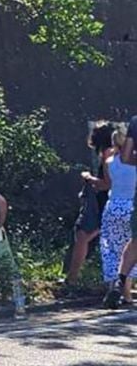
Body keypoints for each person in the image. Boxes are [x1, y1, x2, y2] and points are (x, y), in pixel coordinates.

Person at [65, 121, 115, 286]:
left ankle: (72, 279)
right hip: (106, 201)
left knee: (83, 236)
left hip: (103, 202)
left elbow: (107, 183)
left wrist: (89, 178)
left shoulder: (107, 154)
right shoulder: (111, 153)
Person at [97, 125, 137, 304]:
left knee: (112, 249)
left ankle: (113, 287)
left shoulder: (109, 162)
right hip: (131, 205)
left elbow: (107, 184)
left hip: (113, 206)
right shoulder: (134, 162)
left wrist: (90, 179)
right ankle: (127, 293)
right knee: (131, 249)